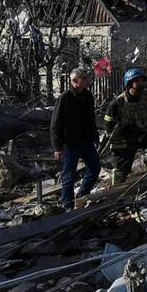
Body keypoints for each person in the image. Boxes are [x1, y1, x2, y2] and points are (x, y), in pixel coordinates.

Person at [50, 67, 102, 210]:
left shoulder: (88, 96)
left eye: (87, 78)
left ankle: (82, 196)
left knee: (95, 167)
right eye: (84, 78)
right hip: (70, 143)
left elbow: (91, 119)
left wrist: (95, 137)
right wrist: (57, 147)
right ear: (74, 81)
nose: (87, 80)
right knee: (69, 176)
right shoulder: (65, 98)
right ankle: (68, 204)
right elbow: (56, 124)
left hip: (86, 140)